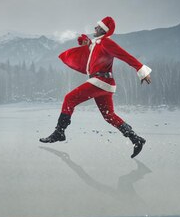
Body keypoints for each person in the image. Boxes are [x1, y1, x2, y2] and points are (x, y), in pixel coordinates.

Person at [40, 16, 152, 158]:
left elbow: (125, 56)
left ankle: (59, 132)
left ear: (103, 30)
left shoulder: (106, 42)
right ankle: (136, 139)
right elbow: (93, 52)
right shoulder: (98, 43)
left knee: (69, 99)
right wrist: (87, 43)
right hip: (104, 84)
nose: (95, 28)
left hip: (100, 81)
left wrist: (141, 70)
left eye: (98, 27)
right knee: (109, 115)